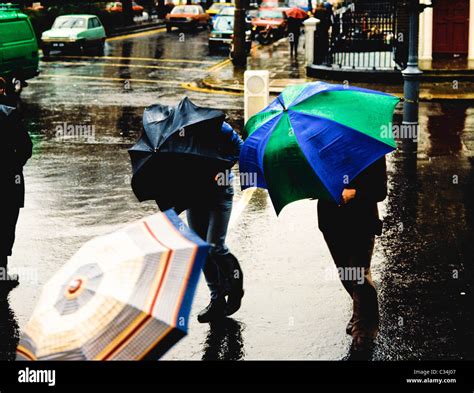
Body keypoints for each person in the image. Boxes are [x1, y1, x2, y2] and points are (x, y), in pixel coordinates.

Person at [317, 158, 387, 351]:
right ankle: (361, 314)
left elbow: (381, 191)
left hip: (362, 219)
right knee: (346, 274)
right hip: (331, 221)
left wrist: (355, 192)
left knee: (359, 274)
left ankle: (363, 331)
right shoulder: (317, 145)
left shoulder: (367, 146)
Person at [186, 121, 245, 323]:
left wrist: (220, 162)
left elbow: (240, 148)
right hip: (193, 195)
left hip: (220, 193)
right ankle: (217, 299)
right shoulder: (177, 136)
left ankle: (236, 286)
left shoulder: (220, 128)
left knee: (215, 246)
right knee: (201, 248)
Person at [0, 77, 33, 285]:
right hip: (8, 181)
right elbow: (26, 148)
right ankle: (2, 272)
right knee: (5, 223)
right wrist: (13, 166)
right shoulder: (9, 114)